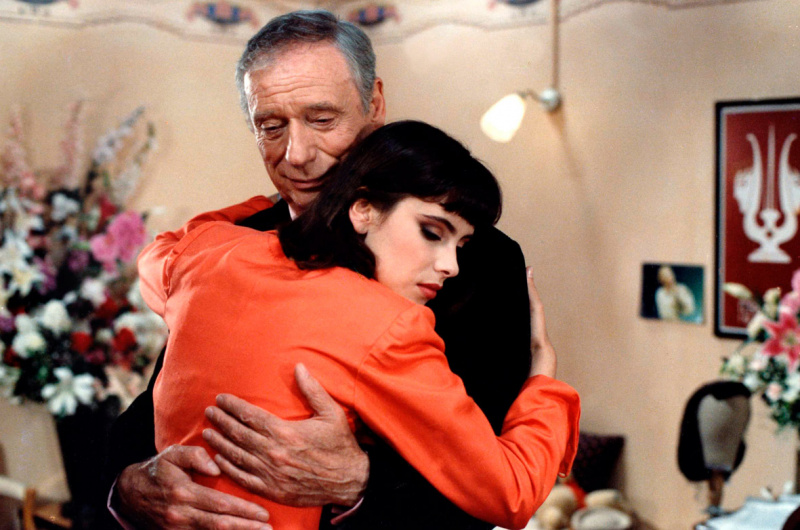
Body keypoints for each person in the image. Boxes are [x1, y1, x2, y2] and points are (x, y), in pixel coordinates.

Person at [104, 10, 552, 529]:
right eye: (271, 126)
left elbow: (487, 486)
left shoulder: (480, 262)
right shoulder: (233, 243)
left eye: (321, 120)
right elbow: (150, 417)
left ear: (374, 105)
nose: (296, 155)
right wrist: (128, 489)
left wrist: (358, 484)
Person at [140, 120, 579, 530]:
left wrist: (271, 204)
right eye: (432, 232)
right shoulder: (390, 326)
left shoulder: (209, 251)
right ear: (363, 209)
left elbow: (159, 253)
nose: (451, 266)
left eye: (460, 245)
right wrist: (544, 376)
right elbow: (513, 492)